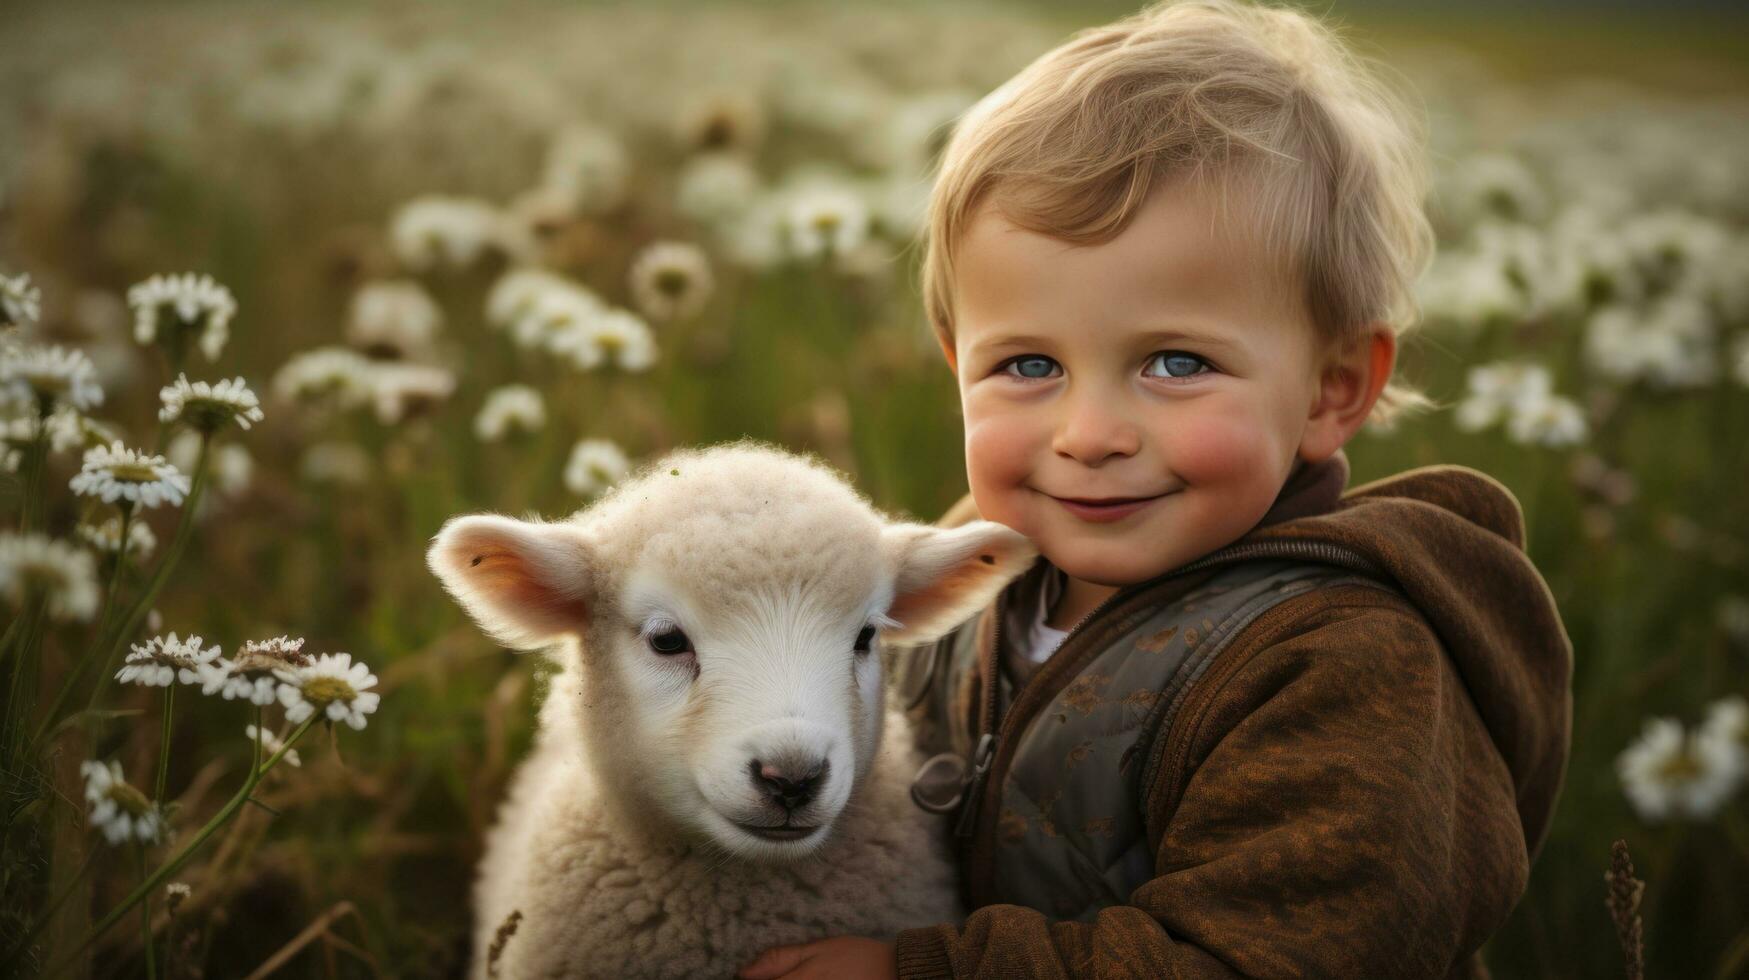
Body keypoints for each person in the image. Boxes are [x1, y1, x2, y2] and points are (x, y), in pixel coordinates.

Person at [739, 0, 1572, 976]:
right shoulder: (964, 570)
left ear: (1332, 387)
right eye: (1028, 365)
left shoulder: (1346, 663)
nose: (1090, 435)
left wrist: (925, 969)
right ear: (954, 362)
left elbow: (1251, 958)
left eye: (1176, 363)